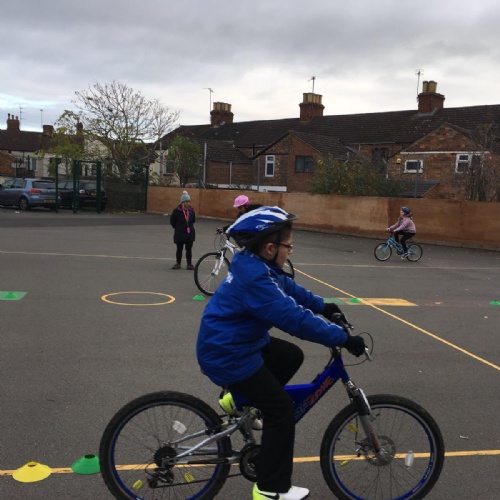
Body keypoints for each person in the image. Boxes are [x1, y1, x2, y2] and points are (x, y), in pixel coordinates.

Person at [196, 206, 366, 500]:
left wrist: (324, 306)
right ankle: (269, 489)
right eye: (288, 245)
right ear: (270, 247)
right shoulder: (256, 280)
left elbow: (289, 287)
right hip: (229, 355)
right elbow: (294, 319)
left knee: (290, 356)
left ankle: (236, 400)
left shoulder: (255, 265)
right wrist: (343, 338)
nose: (291, 250)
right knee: (281, 410)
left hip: (236, 345)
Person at [170, 191, 196, 270]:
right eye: (186, 202)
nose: (188, 203)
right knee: (179, 249)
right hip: (180, 233)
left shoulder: (191, 211)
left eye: (188, 201)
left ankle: (189, 264)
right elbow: (172, 221)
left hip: (189, 233)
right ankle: (178, 263)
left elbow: (193, 220)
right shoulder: (176, 211)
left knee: (189, 249)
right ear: (182, 202)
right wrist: (178, 227)